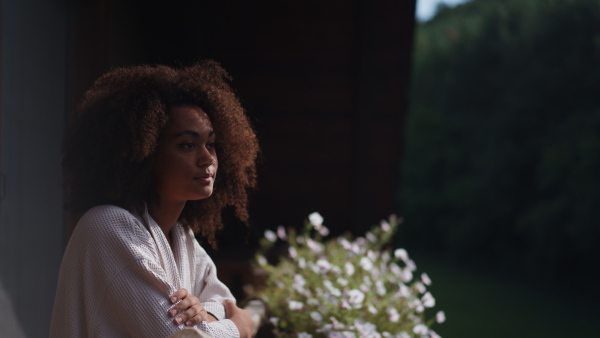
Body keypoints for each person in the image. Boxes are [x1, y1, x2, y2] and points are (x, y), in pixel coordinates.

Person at [50, 61, 259, 338]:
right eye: (187, 144)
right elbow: (179, 336)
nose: (207, 158)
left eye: (210, 144)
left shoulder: (181, 236)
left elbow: (222, 298)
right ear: (144, 153)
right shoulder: (107, 226)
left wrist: (205, 314)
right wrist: (239, 327)